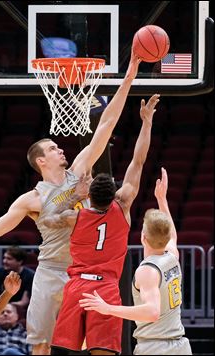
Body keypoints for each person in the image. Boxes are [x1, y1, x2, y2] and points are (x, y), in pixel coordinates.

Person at [0, 49, 141, 355]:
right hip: (53, 270)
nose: (60, 150)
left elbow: (106, 125)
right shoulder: (32, 199)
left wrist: (129, 76)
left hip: (84, 271)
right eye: (54, 148)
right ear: (41, 160)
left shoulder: (78, 172)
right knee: (41, 344)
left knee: (88, 345)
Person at [42, 93, 159, 355]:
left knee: (61, 351)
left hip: (76, 288)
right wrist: (147, 122)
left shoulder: (75, 216)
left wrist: (74, 196)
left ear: (90, 195)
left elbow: (47, 218)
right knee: (103, 351)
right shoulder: (124, 204)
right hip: (106, 287)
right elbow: (138, 161)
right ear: (114, 192)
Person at [79, 168, 192, 355]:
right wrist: (162, 200)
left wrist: (108, 309)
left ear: (143, 238)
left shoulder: (147, 271)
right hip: (179, 345)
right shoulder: (172, 256)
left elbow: (152, 312)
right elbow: (171, 234)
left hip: (155, 347)